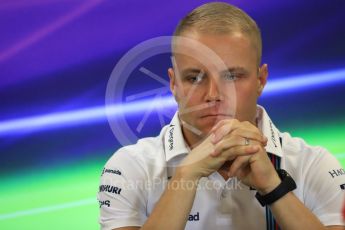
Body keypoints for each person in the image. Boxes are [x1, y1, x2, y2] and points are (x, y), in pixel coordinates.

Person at [98, 2, 345, 230]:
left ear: (261, 80)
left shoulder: (314, 165)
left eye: (232, 76)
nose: (213, 95)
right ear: (173, 84)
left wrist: (274, 187)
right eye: (194, 78)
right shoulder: (129, 167)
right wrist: (186, 174)